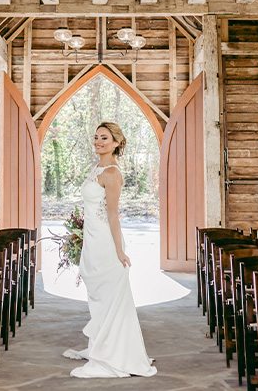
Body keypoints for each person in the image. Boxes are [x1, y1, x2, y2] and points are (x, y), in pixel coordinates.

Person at [62, 122, 158, 378]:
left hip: (106, 243)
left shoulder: (112, 173)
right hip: (92, 240)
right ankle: (100, 344)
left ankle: (114, 354)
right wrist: (81, 235)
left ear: (116, 142)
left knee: (110, 296)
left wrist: (119, 251)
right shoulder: (96, 168)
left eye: (104, 138)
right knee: (98, 296)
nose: (98, 141)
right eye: (96, 137)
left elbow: (114, 216)